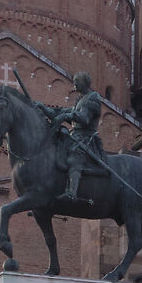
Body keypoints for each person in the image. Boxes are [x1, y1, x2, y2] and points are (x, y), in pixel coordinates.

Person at [42, 70, 110, 202]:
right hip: (75, 135)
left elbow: (84, 118)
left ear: (84, 83)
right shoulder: (80, 99)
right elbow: (63, 112)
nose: (74, 85)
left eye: (76, 82)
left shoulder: (92, 98)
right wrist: (43, 108)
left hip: (86, 137)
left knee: (75, 157)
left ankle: (71, 193)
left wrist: (66, 116)